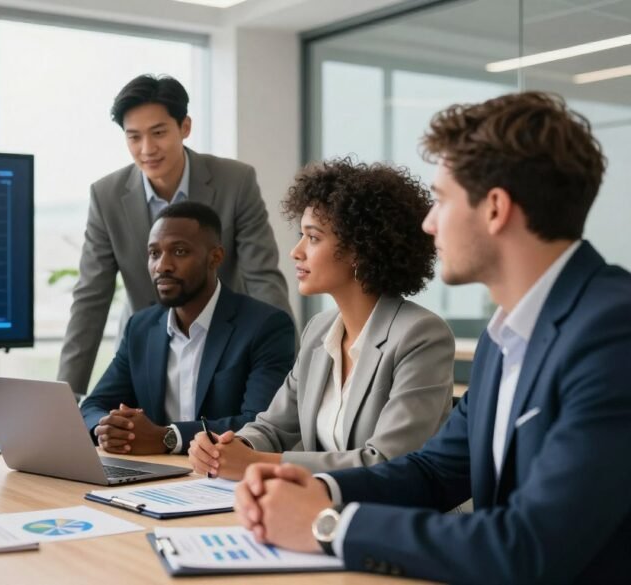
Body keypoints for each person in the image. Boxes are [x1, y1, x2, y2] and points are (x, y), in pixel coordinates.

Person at [234, 92, 631, 584]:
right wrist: (320, 489)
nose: (428, 223)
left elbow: (529, 544)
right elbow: (434, 473)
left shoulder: (613, 331)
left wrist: (327, 525)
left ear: (495, 209)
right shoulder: (502, 338)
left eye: (441, 200)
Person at [187, 158, 454, 479]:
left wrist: (257, 463)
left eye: (313, 238)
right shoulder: (319, 331)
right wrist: (228, 446)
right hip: (320, 511)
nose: (296, 251)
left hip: (391, 520)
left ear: (359, 249)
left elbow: (388, 462)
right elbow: (274, 427)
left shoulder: (421, 335)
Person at [58, 74, 293, 396]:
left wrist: (289, 369)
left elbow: (263, 278)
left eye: (158, 133)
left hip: (224, 343)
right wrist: (66, 394)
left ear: (184, 127)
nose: (147, 149)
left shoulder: (235, 181)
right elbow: (90, 298)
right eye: (134, 137)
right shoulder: (107, 195)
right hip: (147, 347)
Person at [79, 201, 294, 455]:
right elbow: (93, 406)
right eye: (154, 253)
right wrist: (108, 430)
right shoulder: (141, 327)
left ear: (215, 257)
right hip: (153, 473)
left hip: (225, 477)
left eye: (179, 252)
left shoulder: (265, 326)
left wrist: (167, 437)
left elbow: (259, 424)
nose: (162, 266)